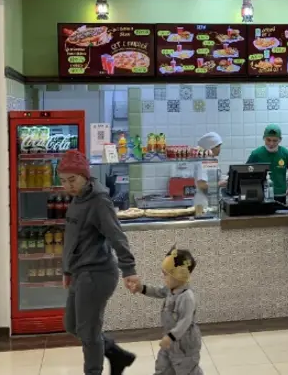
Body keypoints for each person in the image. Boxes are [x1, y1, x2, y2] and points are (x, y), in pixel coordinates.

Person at [58, 150, 140, 375]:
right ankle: (116, 354)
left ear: (85, 176)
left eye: (72, 180)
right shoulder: (78, 198)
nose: (68, 186)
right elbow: (73, 238)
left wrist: (129, 269)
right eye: (63, 181)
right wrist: (67, 270)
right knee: (72, 325)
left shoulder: (99, 200)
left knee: (89, 333)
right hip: (79, 271)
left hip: (97, 273)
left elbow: (116, 235)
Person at [130, 247, 203, 375]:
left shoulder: (187, 297)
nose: (163, 277)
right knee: (162, 367)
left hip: (185, 346)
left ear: (180, 275)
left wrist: (171, 336)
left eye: (166, 274)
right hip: (169, 342)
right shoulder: (170, 289)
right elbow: (157, 291)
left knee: (186, 370)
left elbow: (185, 321)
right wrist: (141, 288)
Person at [246, 124, 288, 201]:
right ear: (264, 138)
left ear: (280, 140)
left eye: (275, 140)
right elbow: (244, 173)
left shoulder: (286, 154)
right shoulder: (256, 154)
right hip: (261, 196)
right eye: (268, 140)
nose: (271, 144)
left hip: (280, 196)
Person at [195, 132, 225, 211]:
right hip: (203, 203)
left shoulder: (212, 161)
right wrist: (221, 183)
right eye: (217, 146)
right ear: (210, 147)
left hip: (211, 201)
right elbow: (202, 185)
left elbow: (213, 179)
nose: (220, 149)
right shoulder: (203, 161)